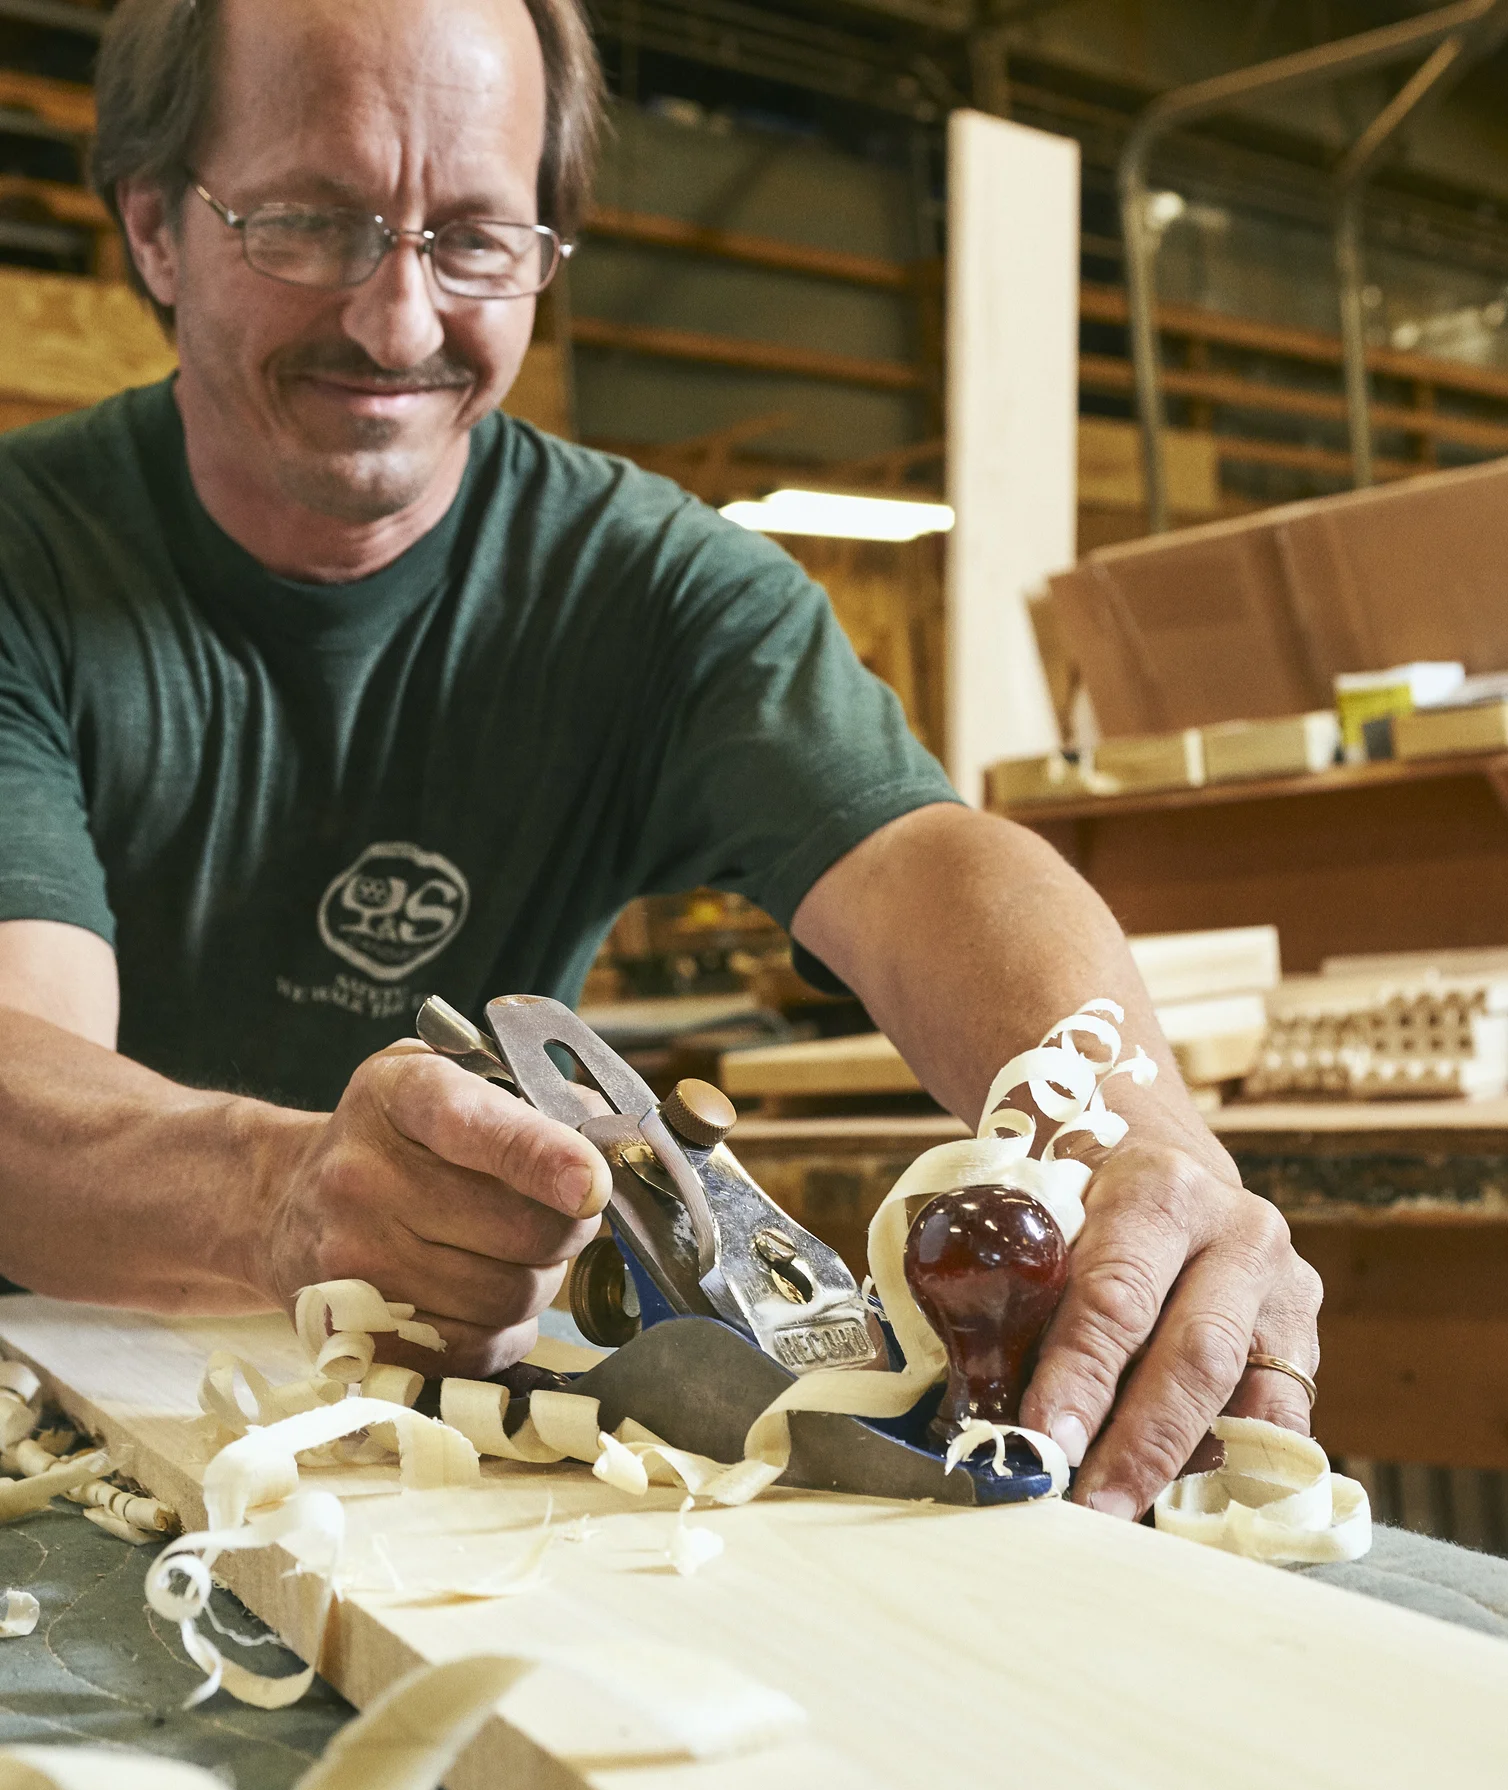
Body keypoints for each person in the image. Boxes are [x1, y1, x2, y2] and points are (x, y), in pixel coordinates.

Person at [0, 0, 1320, 1530]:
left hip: (435, 1440)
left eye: (479, 240)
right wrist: (277, 1195)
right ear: (156, 228)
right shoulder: (29, 563)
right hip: (61, 1405)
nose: (400, 323)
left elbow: (919, 863)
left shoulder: (653, 587)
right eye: (310, 224)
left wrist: (1126, 1136)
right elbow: (24, 1059)